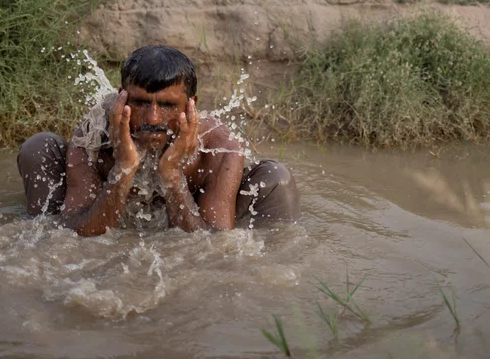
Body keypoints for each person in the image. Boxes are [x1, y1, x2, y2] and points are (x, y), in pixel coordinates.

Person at [16, 45, 301, 236]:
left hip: (195, 215)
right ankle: (33, 227)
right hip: (107, 209)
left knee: (276, 177)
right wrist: (124, 166)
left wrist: (173, 173)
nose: (153, 118)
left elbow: (213, 247)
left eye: (167, 105)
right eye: (140, 102)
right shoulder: (92, 138)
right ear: (121, 97)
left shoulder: (219, 146)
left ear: (191, 104)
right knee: (38, 148)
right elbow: (74, 235)